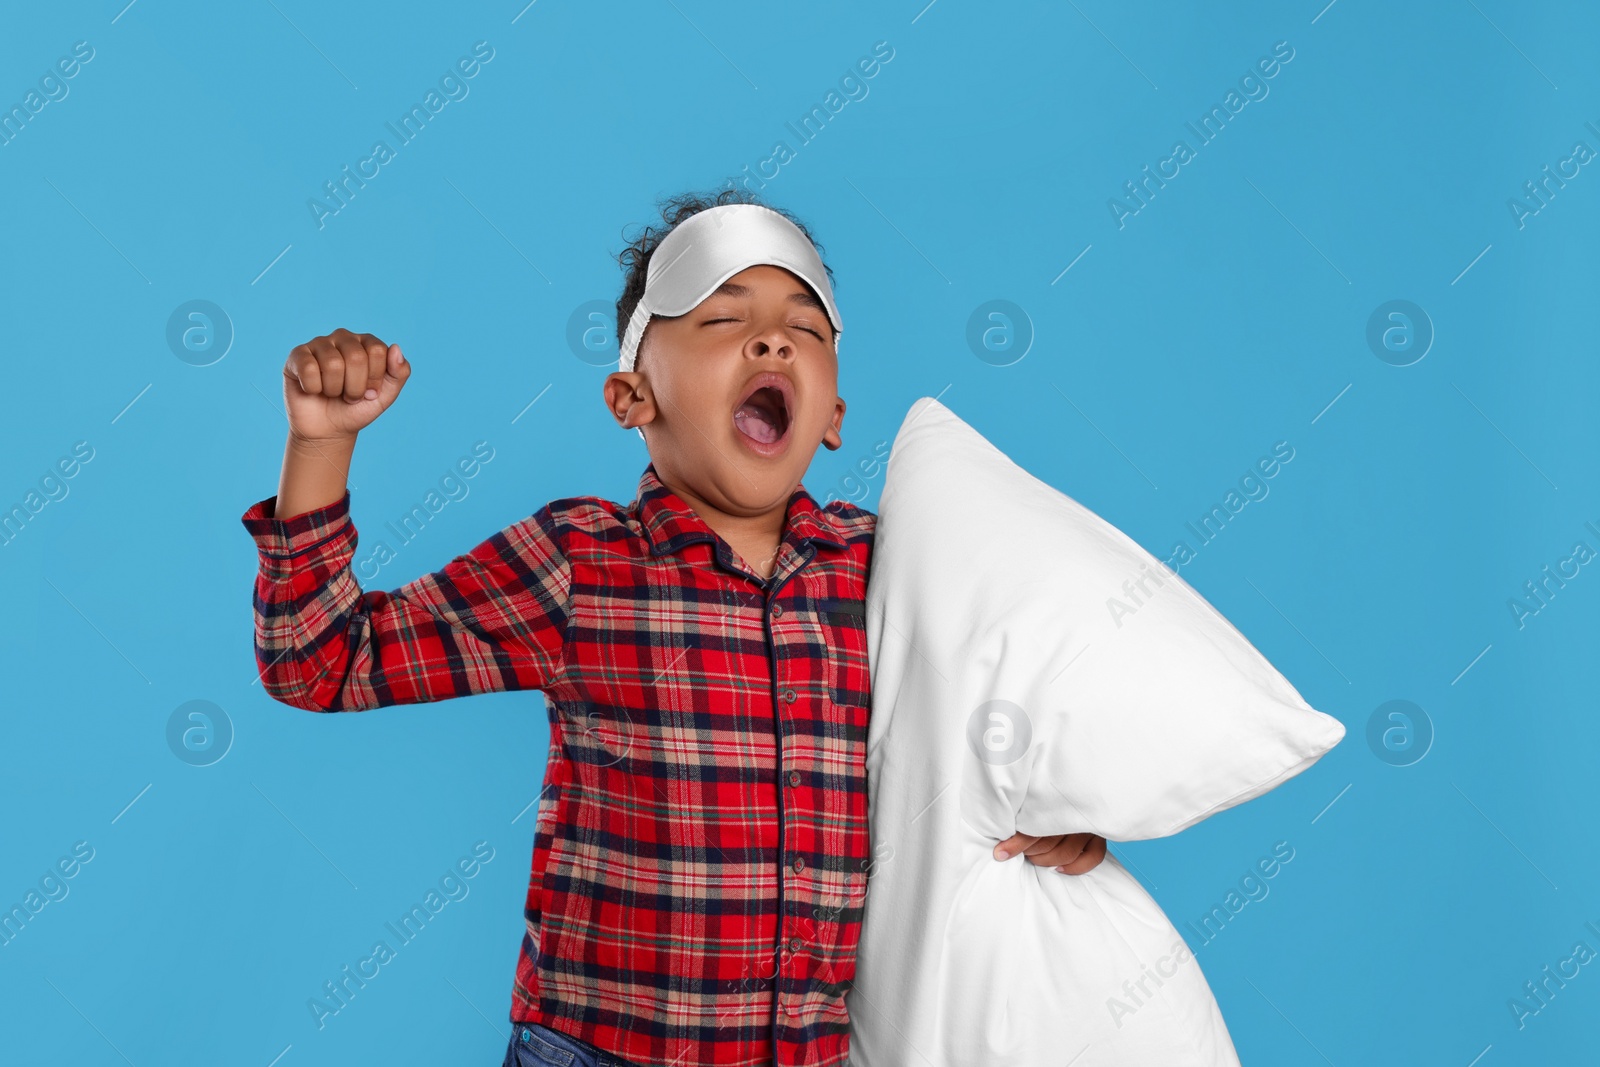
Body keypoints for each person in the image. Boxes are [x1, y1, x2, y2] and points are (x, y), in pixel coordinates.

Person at [239, 187, 1108, 1067]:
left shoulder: (887, 568)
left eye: (804, 329)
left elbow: (975, 732)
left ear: (836, 416)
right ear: (630, 396)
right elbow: (321, 662)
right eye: (722, 319)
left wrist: (1053, 812)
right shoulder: (581, 561)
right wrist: (321, 445)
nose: (772, 340)